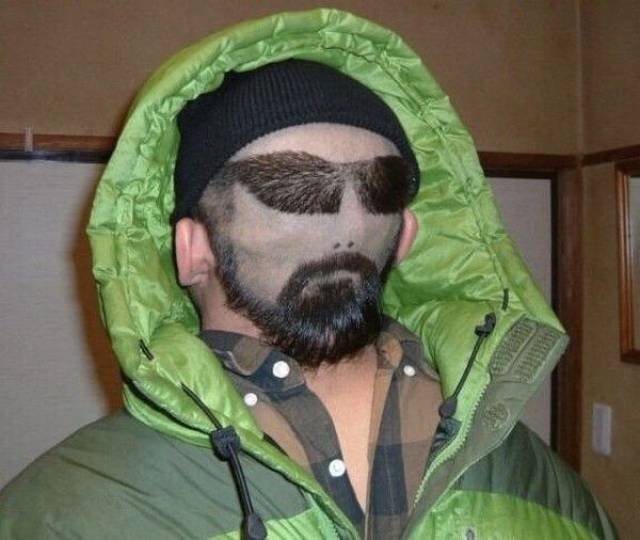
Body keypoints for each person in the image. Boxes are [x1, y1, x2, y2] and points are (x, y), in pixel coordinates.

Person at [0, 8, 616, 540]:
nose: (346, 224)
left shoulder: (546, 491)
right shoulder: (63, 515)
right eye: (291, 191)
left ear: (404, 235)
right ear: (193, 249)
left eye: (375, 190)